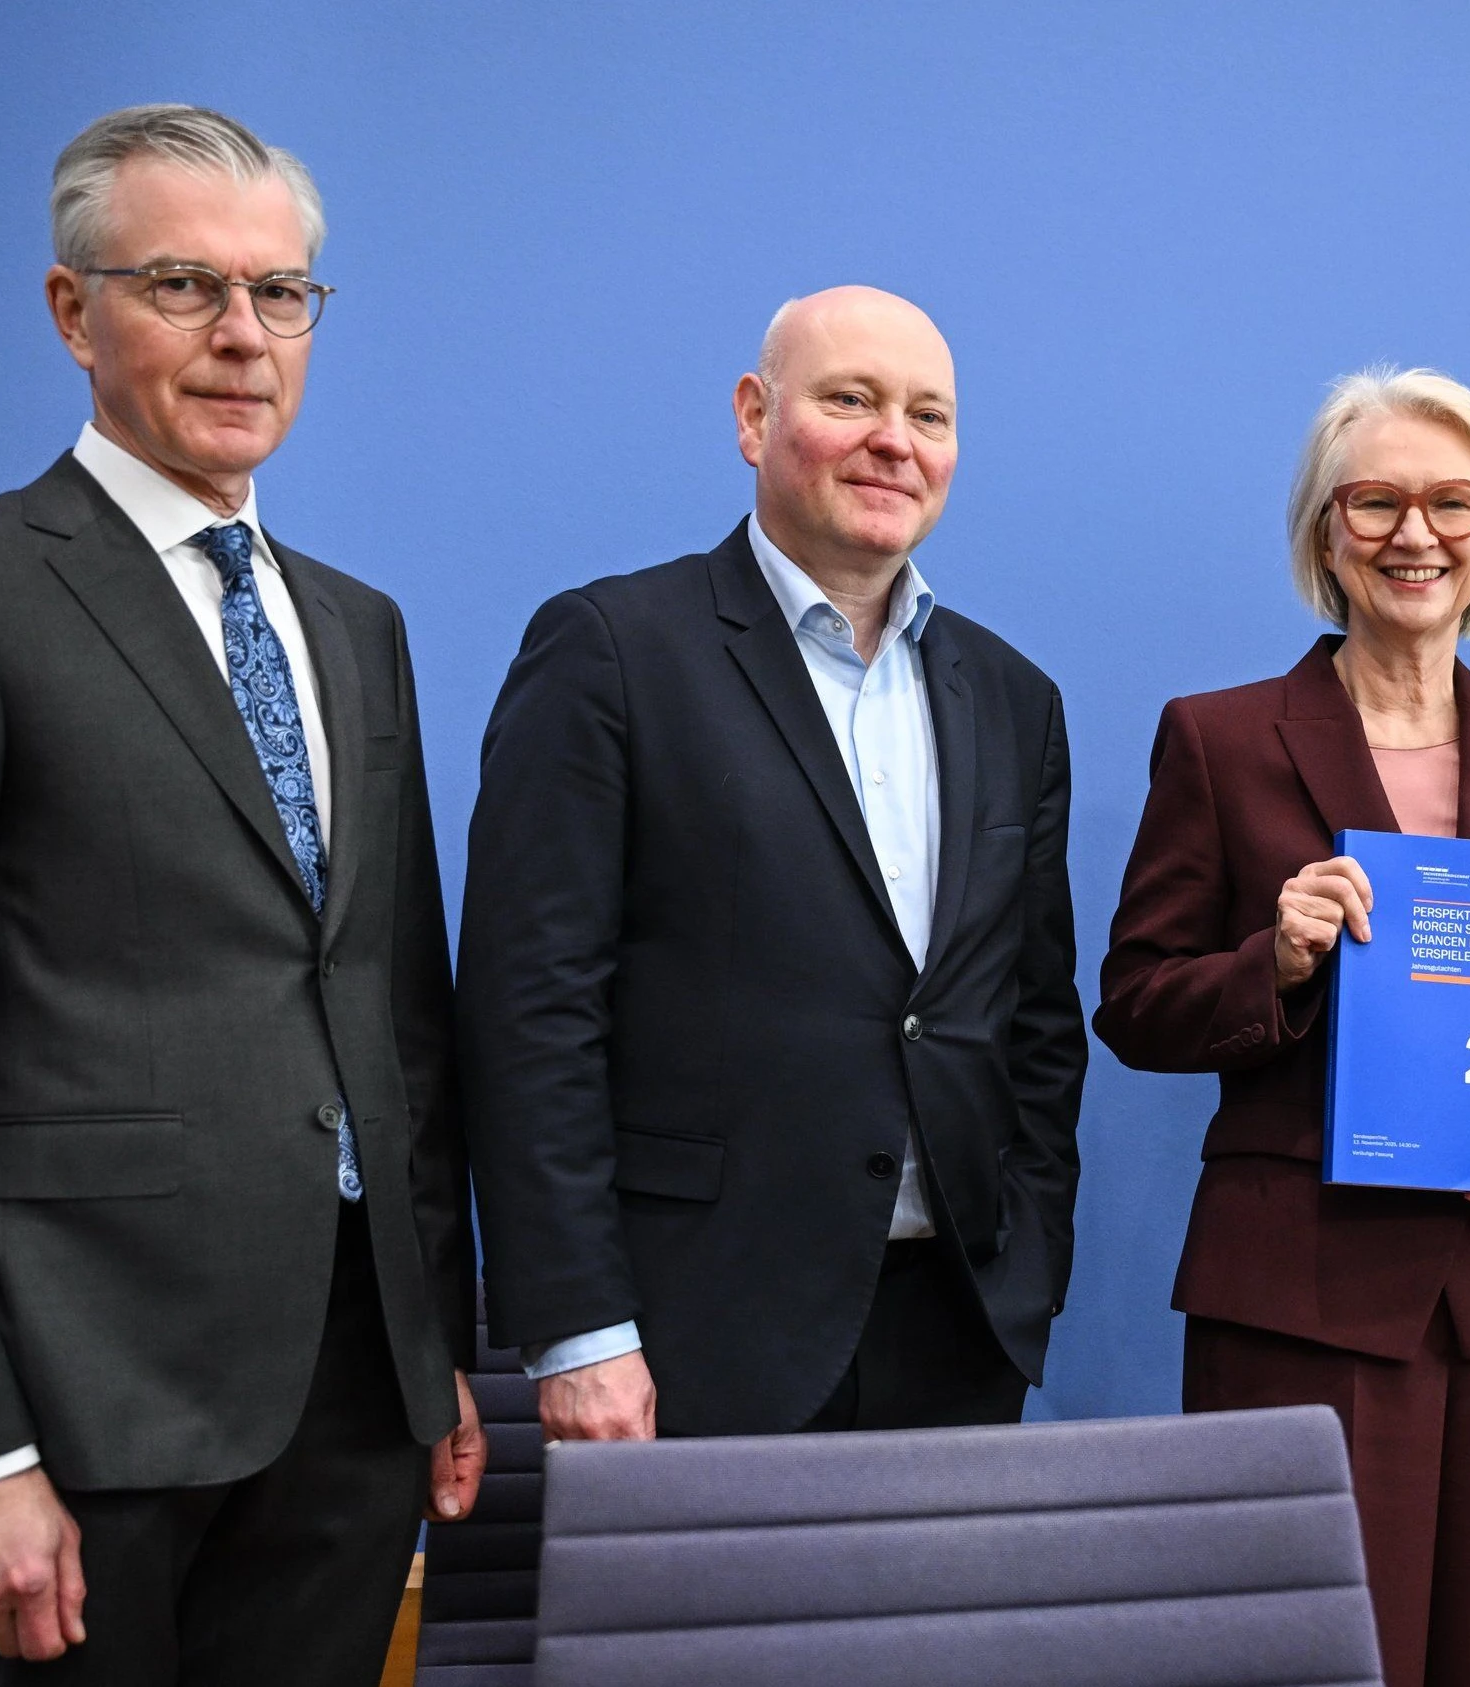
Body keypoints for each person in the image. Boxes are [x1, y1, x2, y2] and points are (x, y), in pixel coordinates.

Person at [0, 105, 482, 1684]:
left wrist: (431, 1344)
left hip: (352, 1400)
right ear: (71, 310)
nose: (244, 334)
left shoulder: (357, 624)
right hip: (80, 1408)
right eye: (184, 285)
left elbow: (393, 1016)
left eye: (281, 292)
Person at [1096, 368, 1470, 1687]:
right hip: (1305, 1299)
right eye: (1377, 501)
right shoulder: (1221, 737)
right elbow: (1136, 1001)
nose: (1418, 534)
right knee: (1309, 1659)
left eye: (1455, 502)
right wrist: (1278, 960)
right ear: (1324, 529)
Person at [459, 287, 1084, 1445]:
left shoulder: (1013, 699)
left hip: (954, 1339)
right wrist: (580, 1329)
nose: (894, 440)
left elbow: (1037, 1023)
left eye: (929, 415)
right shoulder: (612, 651)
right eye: (851, 400)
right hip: (691, 1337)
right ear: (755, 417)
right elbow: (529, 1012)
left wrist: (1029, 1266)